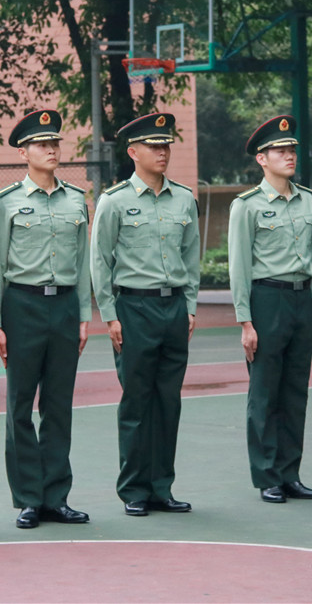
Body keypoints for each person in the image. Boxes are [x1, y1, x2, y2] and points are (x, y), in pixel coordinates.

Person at [0, 109, 92, 530]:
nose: (50, 149)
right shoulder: (7, 201)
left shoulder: (76, 199)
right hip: (22, 306)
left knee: (58, 405)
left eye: (54, 143)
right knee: (20, 405)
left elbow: (82, 264)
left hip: (64, 306)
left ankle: (56, 497)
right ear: (23, 152)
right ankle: (29, 497)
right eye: (41, 144)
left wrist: (83, 314)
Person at [90, 112, 200, 517]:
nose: (162, 152)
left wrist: (190, 307)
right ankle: (134, 488)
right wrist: (110, 315)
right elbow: (99, 261)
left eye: (166, 145)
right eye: (154, 146)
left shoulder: (184, 199)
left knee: (168, 401)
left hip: (173, 308)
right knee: (137, 402)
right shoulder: (115, 201)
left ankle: (161, 487)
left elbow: (191, 256)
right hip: (134, 307)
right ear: (133, 152)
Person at [227, 115, 312, 504]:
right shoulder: (246, 206)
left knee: (296, 392)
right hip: (267, 300)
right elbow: (239, 267)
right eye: (280, 151)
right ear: (262, 159)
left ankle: (290, 473)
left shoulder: (308, 199)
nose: (289, 156)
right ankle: (267, 475)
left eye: (291, 150)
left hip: (301, 300)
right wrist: (245, 321)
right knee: (265, 391)